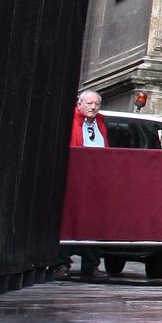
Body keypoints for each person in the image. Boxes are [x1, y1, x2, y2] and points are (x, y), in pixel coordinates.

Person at [64, 90, 109, 279]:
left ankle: (91, 266)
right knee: (67, 222)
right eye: (89, 103)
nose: (93, 107)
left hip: (95, 184)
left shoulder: (101, 123)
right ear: (79, 103)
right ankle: (61, 263)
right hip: (72, 180)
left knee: (93, 223)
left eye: (96, 104)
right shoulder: (70, 121)